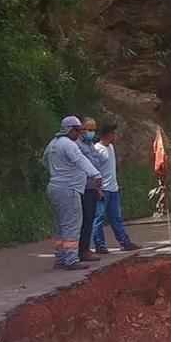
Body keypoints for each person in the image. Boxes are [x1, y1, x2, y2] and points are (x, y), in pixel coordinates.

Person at [42, 116, 102, 270]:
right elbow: (81, 161)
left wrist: (56, 172)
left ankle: (61, 257)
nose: (80, 133)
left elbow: (44, 161)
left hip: (54, 187)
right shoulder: (69, 145)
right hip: (69, 189)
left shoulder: (52, 144)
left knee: (59, 225)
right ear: (70, 129)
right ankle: (71, 259)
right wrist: (96, 175)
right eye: (78, 130)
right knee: (72, 225)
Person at [92, 123, 141, 253]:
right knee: (99, 218)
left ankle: (125, 242)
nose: (115, 135)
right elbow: (93, 171)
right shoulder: (97, 149)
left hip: (113, 189)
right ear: (107, 134)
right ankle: (99, 245)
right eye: (113, 133)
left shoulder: (111, 148)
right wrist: (98, 189)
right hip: (103, 190)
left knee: (116, 218)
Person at [76, 117, 106, 262]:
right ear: (81, 129)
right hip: (83, 188)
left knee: (89, 219)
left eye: (93, 130)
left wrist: (99, 189)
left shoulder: (91, 145)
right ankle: (82, 250)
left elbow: (97, 165)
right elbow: (85, 166)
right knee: (84, 220)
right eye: (88, 129)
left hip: (92, 187)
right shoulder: (77, 145)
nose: (91, 132)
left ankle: (85, 249)